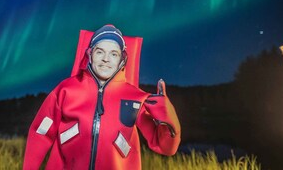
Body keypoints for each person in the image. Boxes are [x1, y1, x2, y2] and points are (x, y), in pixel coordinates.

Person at [23, 25, 181, 170]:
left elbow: (166, 148)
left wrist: (168, 121)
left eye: (114, 54)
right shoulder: (66, 90)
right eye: (100, 52)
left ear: (122, 59)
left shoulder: (135, 98)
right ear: (90, 55)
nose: (106, 59)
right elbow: (41, 132)